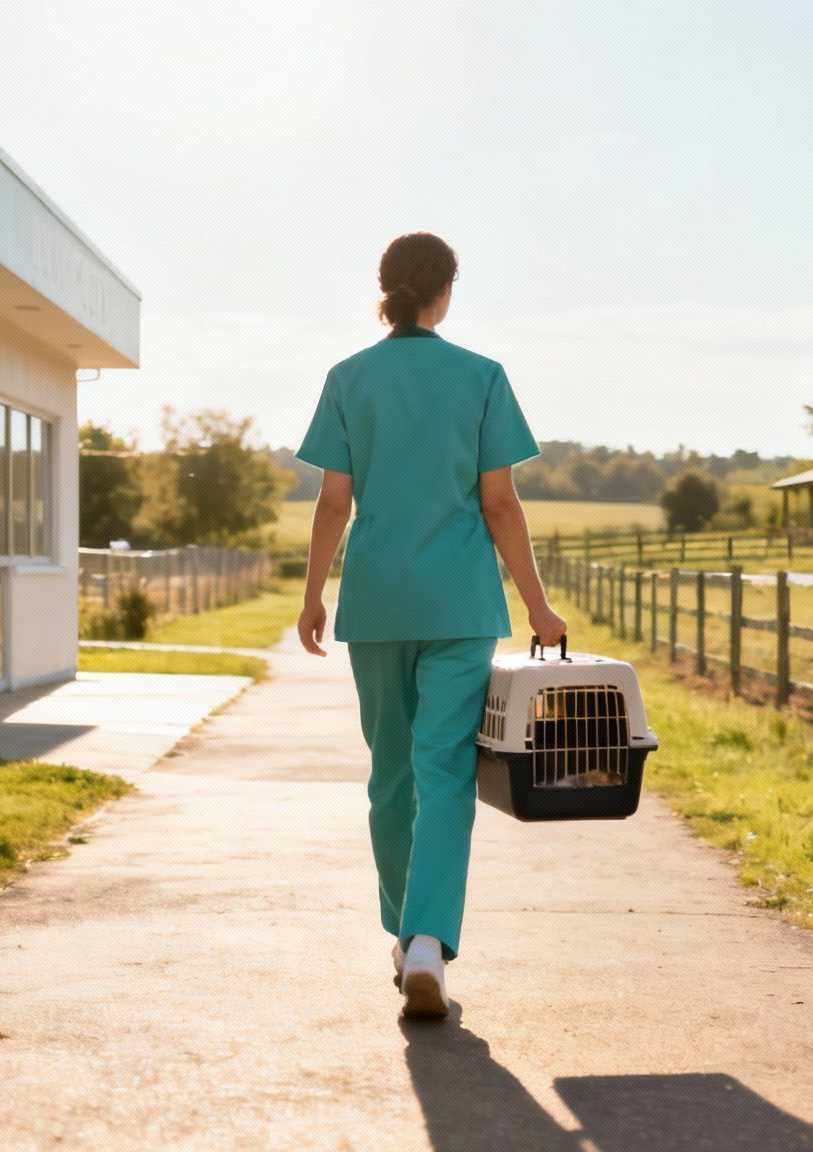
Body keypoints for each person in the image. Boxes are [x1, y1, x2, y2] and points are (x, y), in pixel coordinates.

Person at [295, 232, 566, 1019]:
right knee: (444, 770)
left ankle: (404, 933)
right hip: (458, 604)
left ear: (385, 289)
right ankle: (426, 941)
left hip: (376, 601)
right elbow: (500, 504)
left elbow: (333, 503)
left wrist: (314, 595)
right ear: (445, 290)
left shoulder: (349, 378)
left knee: (391, 774)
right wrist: (537, 606)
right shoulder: (481, 378)